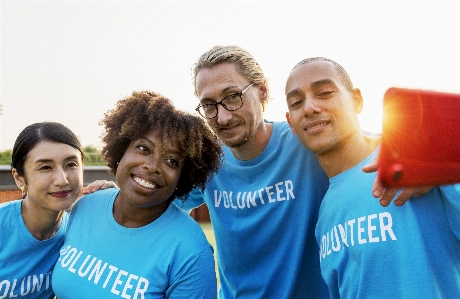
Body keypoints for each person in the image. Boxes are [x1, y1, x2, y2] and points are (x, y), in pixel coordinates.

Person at [177, 45, 432, 299]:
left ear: (262, 90)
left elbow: (367, 145)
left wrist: (417, 154)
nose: (222, 117)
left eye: (233, 96)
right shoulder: (207, 161)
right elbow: (155, 202)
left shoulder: (304, 140)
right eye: (209, 105)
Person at [285, 57, 460, 298]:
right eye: (296, 102)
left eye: (324, 93)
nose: (309, 108)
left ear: (357, 100)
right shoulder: (325, 213)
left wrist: (442, 164)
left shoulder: (418, 165)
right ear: (290, 123)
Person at [51, 91, 222, 298]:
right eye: (143, 148)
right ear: (121, 149)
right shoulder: (85, 206)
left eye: (171, 161)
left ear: (183, 176)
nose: (152, 166)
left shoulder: (191, 252)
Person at [0, 122, 84, 299]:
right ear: (19, 178)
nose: (62, 180)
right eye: (45, 167)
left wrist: (111, 200)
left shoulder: (79, 233)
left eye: (71, 164)